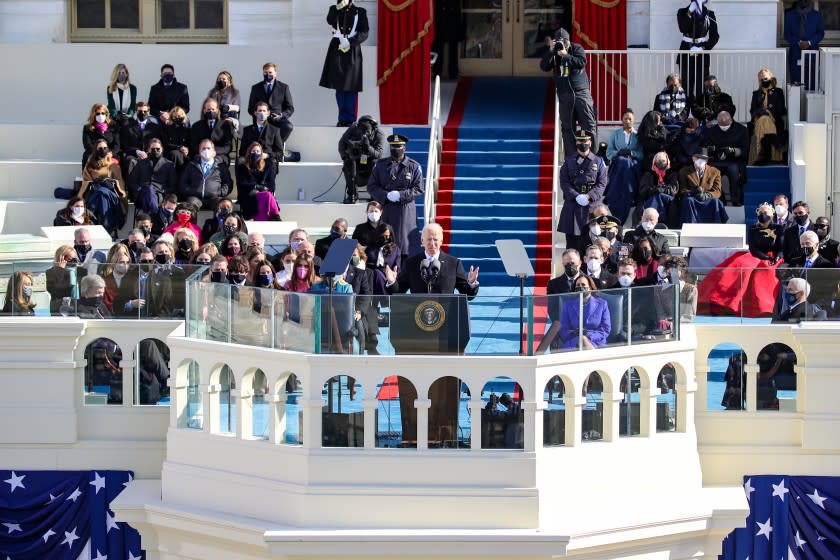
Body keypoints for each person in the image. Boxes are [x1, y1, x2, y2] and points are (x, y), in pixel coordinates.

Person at [696, 202, 783, 317]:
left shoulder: (779, 228)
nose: (762, 215)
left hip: (774, 257)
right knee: (739, 267)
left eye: (765, 213)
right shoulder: (753, 228)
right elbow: (753, 248)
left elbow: (781, 246)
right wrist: (764, 257)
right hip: (756, 255)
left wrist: (777, 256)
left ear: (771, 215)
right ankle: (722, 301)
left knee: (765, 271)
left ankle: (763, 307)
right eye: (760, 213)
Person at [540, 28, 597, 157]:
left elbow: (581, 62)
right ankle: (571, 159)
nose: (562, 44)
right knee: (567, 129)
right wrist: (551, 51)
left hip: (581, 92)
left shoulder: (577, 48)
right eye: (559, 41)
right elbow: (544, 66)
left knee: (588, 125)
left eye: (564, 41)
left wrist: (566, 55)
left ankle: (592, 157)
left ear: (569, 41)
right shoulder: (554, 53)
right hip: (565, 94)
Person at [367, 134, 424, 261]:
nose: (396, 149)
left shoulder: (414, 166)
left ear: (404, 148)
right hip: (386, 209)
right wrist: (384, 195)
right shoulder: (380, 165)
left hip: (405, 211)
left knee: (406, 247)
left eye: (399, 146)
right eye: (393, 147)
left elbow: (419, 189)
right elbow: (371, 186)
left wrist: (401, 195)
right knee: (386, 243)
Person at [384, 223, 479, 296]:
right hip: (418, 315)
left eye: (435, 240)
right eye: (429, 239)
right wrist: (392, 282)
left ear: (441, 241)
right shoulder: (411, 263)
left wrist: (471, 283)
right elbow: (398, 291)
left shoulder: (454, 263)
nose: (432, 243)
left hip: (446, 316)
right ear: (422, 240)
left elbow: (467, 294)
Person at [320, 0, 370, 126]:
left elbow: (364, 32)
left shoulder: (360, 12)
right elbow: (330, 20)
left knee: (351, 86)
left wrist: (351, 41)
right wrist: (338, 8)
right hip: (337, 49)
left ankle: (351, 119)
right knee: (339, 86)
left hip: (352, 49)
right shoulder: (334, 9)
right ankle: (342, 118)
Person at [557, 131, 607, 251]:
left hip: (592, 207)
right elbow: (564, 181)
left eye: (585, 141)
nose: (582, 143)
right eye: (580, 141)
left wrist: (589, 196)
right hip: (573, 206)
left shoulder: (598, 161)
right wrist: (576, 196)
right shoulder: (569, 161)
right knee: (572, 247)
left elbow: (602, 183)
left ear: (590, 142)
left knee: (592, 247)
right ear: (576, 142)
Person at [535, 249, 584, 353]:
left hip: (585, 328)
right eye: (567, 263)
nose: (570, 265)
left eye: (573, 263)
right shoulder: (553, 284)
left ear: (580, 263)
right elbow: (552, 310)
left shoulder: (589, 281)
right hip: (562, 328)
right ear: (562, 264)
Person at [78, 139, 128, 236]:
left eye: (105, 148)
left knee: (103, 191)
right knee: (101, 194)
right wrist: (93, 184)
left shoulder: (114, 165)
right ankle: (107, 230)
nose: (103, 150)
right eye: (100, 148)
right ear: (95, 150)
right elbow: (86, 182)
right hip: (94, 194)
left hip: (112, 195)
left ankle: (90, 216)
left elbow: (120, 184)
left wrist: (109, 182)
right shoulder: (90, 165)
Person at [676, 0, 719, 102]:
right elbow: (683, 28)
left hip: (702, 51)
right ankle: (686, 112)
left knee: (702, 84)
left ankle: (700, 112)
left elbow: (715, 36)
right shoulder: (682, 12)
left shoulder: (709, 14)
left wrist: (703, 48)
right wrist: (689, 13)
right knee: (686, 85)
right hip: (686, 49)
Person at [605, 108, 643, 225]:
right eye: (625, 118)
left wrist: (631, 153)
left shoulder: (638, 135)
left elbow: (642, 154)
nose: (627, 121)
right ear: (622, 119)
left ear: (633, 120)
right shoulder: (615, 135)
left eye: (630, 119)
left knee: (626, 162)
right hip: (618, 165)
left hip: (633, 166)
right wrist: (618, 153)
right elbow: (609, 152)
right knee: (622, 161)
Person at [114, 245, 173, 318]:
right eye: (144, 261)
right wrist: (131, 304)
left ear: (154, 261)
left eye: (150, 261)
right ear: (138, 260)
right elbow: (117, 304)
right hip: (133, 321)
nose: (148, 263)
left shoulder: (164, 281)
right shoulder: (127, 278)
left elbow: (168, 306)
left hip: (155, 324)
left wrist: (158, 319)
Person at [247, 62, 295, 150]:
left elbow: (290, 108)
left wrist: (281, 115)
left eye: (270, 72)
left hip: (277, 118)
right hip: (261, 119)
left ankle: (275, 148)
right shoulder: (256, 88)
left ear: (275, 73)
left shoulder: (284, 87)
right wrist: (259, 115)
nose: (268, 74)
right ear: (262, 73)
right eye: (265, 72)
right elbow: (250, 108)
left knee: (288, 126)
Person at [705, 111, 748, 205]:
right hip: (716, 160)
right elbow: (706, 147)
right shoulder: (712, 131)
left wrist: (733, 151)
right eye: (721, 124)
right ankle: (719, 199)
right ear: (717, 122)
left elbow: (745, 150)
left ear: (731, 120)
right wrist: (715, 151)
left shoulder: (742, 130)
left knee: (734, 172)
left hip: (734, 161)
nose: (723, 127)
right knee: (711, 172)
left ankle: (736, 200)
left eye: (726, 124)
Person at [339, 115, 385, 203]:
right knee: (348, 164)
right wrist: (345, 157)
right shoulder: (353, 129)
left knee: (376, 164)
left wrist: (369, 148)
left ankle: (374, 195)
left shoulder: (379, 134)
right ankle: (352, 195)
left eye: (367, 130)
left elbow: (378, 155)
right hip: (355, 159)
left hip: (369, 161)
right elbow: (341, 143)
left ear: (373, 128)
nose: (364, 132)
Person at [558, 275, 611, 350]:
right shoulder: (568, 305)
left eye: (583, 285)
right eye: (578, 285)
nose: (580, 287)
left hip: (596, 342)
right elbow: (563, 329)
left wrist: (588, 336)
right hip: (574, 342)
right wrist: (575, 334)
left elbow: (606, 329)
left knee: (584, 341)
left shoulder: (602, 304)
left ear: (590, 287)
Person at [677, 148, 727, 225]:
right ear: (693, 158)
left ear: (707, 160)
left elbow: (717, 191)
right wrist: (693, 192)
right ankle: (690, 225)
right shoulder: (683, 171)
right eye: (698, 157)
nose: (700, 160)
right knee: (688, 200)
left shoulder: (715, 172)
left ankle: (716, 226)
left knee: (715, 201)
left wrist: (708, 195)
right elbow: (682, 190)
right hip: (693, 198)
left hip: (707, 199)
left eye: (703, 158)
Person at [127, 137, 177, 213]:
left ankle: (151, 218)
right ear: (148, 150)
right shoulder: (140, 163)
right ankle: (155, 217)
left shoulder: (168, 164)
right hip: (142, 195)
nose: (155, 151)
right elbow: (132, 182)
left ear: (162, 149)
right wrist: (139, 190)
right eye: (153, 149)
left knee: (150, 192)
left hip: (160, 195)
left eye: (158, 149)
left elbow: (173, 185)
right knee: (149, 189)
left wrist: (163, 191)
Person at [749, 68, 787, 165]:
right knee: (764, 119)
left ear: (771, 78)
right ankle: (774, 155)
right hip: (759, 121)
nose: (763, 81)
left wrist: (768, 113)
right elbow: (752, 111)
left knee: (765, 119)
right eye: (761, 79)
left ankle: (761, 154)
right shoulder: (756, 94)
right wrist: (763, 112)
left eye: (765, 78)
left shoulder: (778, 92)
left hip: (775, 122)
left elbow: (781, 110)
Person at [179, 139, 232, 209]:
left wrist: (219, 193)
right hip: (195, 199)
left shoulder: (221, 166)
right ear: (199, 151)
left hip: (214, 198)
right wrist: (190, 192)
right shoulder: (191, 165)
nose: (206, 150)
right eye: (203, 148)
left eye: (208, 148)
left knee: (222, 204)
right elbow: (183, 182)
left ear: (214, 152)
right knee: (189, 204)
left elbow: (228, 183)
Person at [784, 0, 824, 88]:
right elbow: (786, 34)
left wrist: (809, 42)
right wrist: (798, 42)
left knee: (812, 84)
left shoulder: (817, 15)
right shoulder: (789, 15)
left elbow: (821, 33)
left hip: (813, 55)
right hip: (795, 54)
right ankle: (797, 102)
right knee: (796, 84)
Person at [118, 101, 161, 177]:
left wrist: (149, 152)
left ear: (149, 112)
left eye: (145, 111)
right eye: (140, 111)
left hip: (151, 154)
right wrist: (137, 151)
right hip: (133, 155)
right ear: (136, 112)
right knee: (129, 160)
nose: (143, 113)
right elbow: (124, 146)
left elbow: (159, 144)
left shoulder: (155, 127)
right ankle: (131, 187)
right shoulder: (127, 127)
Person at [637, 151, 679, 227]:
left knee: (659, 196)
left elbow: (674, 190)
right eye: (659, 161)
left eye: (663, 161)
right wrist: (655, 189)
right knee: (656, 197)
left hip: (667, 199)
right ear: (654, 161)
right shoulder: (648, 174)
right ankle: (651, 220)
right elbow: (643, 190)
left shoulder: (673, 174)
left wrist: (662, 190)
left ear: (667, 161)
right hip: (651, 198)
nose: (661, 163)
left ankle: (660, 221)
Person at [236, 142, 277, 219]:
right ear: (249, 152)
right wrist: (256, 187)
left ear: (261, 153)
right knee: (266, 196)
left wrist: (258, 188)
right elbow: (243, 183)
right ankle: (276, 216)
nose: (256, 153)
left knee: (266, 195)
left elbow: (272, 186)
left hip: (264, 194)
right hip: (248, 195)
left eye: (258, 151)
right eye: (253, 151)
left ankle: (268, 218)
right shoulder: (242, 167)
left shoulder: (268, 165)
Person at [190, 98, 235, 167]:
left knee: (217, 163)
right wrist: (204, 152)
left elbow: (228, 146)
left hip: (219, 155)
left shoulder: (226, 125)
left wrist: (213, 152)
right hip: (200, 155)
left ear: (217, 110)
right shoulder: (196, 126)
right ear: (204, 111)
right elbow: (193, 145)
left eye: (213, 109)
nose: (211, 111)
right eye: (208, 110)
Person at [46, 245, 80, 314]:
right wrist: (60, 270)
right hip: (59, 308)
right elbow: (54, 290)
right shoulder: (51, 272)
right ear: (60, 258)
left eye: (74, 258)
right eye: (69, 259)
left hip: (76, 306)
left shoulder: (76, 272)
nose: (72, 261)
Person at [161, 105, 191, 173]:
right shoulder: (166, 129)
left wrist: (186, 149)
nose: (177, 118)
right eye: (175, 117)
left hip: (184, 154)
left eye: (179, 116)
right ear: (171, 117)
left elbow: (190, 143)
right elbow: (166, 144)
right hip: (171, 154)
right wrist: (179, 147)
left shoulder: (187, 130)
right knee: (174, 153)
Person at [103, 244, 132, 312]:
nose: (122, 256)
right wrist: (128, 304)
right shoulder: (105, 281)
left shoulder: (134, 278)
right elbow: (105, 303)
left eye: (124, 253)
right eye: (118, 254)